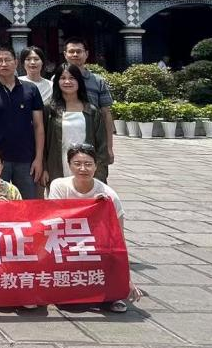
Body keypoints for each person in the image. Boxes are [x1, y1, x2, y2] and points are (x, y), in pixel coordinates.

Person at [47, 143, 140, 313]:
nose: (83, 168)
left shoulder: (109, 195)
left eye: (88, 164)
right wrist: (90, 207)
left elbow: (119, 239)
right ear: (69, 165)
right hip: (67, 243)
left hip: (96, 245)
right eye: (77, 164)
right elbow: (53, 219)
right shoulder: (59, 186)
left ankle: (114, 295)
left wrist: (126, 278)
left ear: (96, 166)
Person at [0, 44, 45, 200]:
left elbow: (39, 126)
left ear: (16, 62)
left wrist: (39, 159)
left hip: (26, 158)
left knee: (28, 203)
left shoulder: (31, 89)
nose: (4, 64)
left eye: (7, 60)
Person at [44, 64, 109, 185]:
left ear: (79, 81)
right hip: (57, 167)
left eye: (72, 78)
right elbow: (42, 142)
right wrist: (44, 168)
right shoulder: (49, 109)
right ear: (57, 82)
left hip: (85, 168)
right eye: (63, 78)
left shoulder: (91, 110)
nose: (67, 81)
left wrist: (99, 172)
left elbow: (102, 145)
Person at [63, 38, 116, 175]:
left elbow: (106, 114)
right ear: (65, 54)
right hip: (65, 138)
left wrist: (109, 147)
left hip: (94, 138)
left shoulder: (97, 81)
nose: (75, 54)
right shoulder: (58, 81)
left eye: (79, 51)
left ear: (86, 54)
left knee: (96, 179)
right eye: (71, 51)